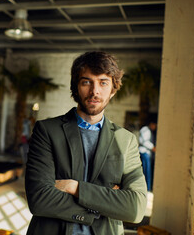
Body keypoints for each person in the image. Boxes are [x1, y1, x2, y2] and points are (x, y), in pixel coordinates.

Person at [25, 51, 147, 235]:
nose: (95, 91)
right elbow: (40, 199)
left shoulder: (126, 140)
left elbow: (135, 209)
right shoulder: (47, 130)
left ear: (113, 90)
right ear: (76, 87)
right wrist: (108, 203)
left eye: (103, 83)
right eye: (86, 82)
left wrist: (74, 187)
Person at [138, 119, 157, 191]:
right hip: (144, 152)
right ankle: (145, 189)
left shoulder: (150, 131)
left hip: (147, 154)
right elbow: (144, 142)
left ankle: (147, 188)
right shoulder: (145, 130)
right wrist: (153, 148)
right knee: (145, 171)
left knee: (148, 172)